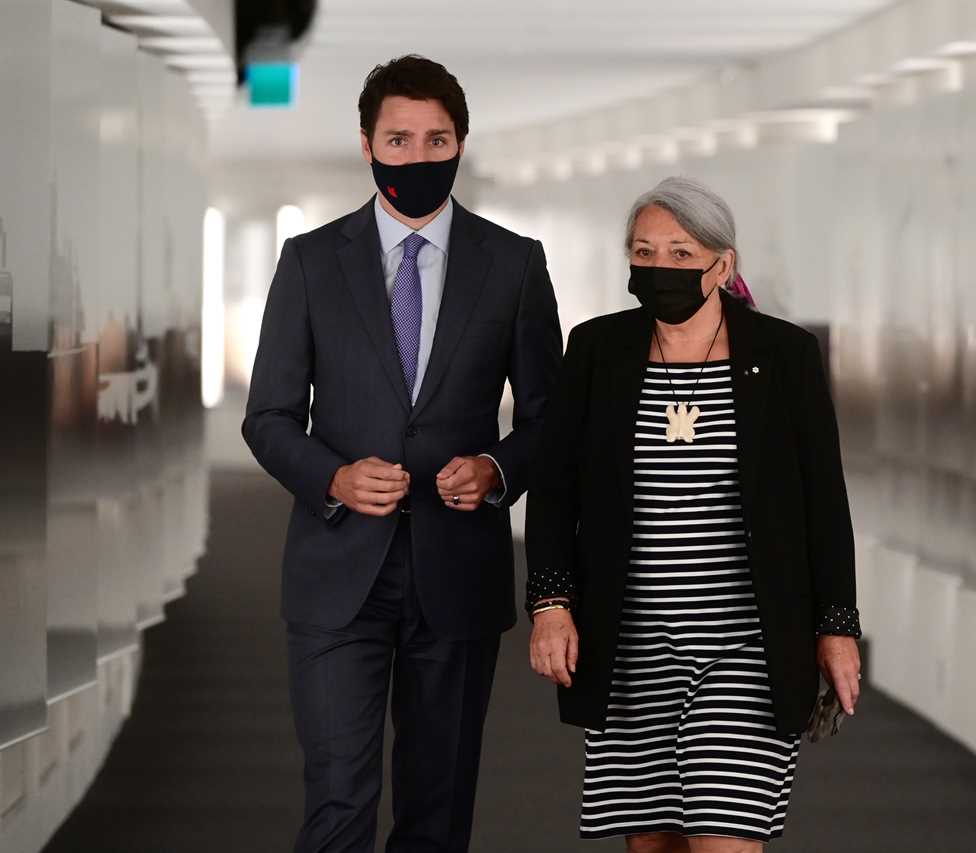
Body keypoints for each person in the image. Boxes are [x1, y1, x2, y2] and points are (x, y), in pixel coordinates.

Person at [242, 55, 562, 852]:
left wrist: (496, 471)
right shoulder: (311, 262)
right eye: (398, 138)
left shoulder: (515, 264)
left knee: (437, 809)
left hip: (457, 572)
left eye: (436, 138)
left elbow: (551, 420)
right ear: (366, 144)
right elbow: (269, 416)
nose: (417, 156)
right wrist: (335, 477)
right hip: (335, 572)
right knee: (340, 800)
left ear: (460, 142)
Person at [524, 176, 863, 852]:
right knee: (654, 844)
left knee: (724, 839)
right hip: (631, 648)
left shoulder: (783, 356)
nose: (660, 269)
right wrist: (551, 603)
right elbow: (556, 487)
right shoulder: (597, 352)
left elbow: (823, 499)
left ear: (723, 264)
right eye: (643, 253)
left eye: (681, 254)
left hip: (746, 646)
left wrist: (836, 626)